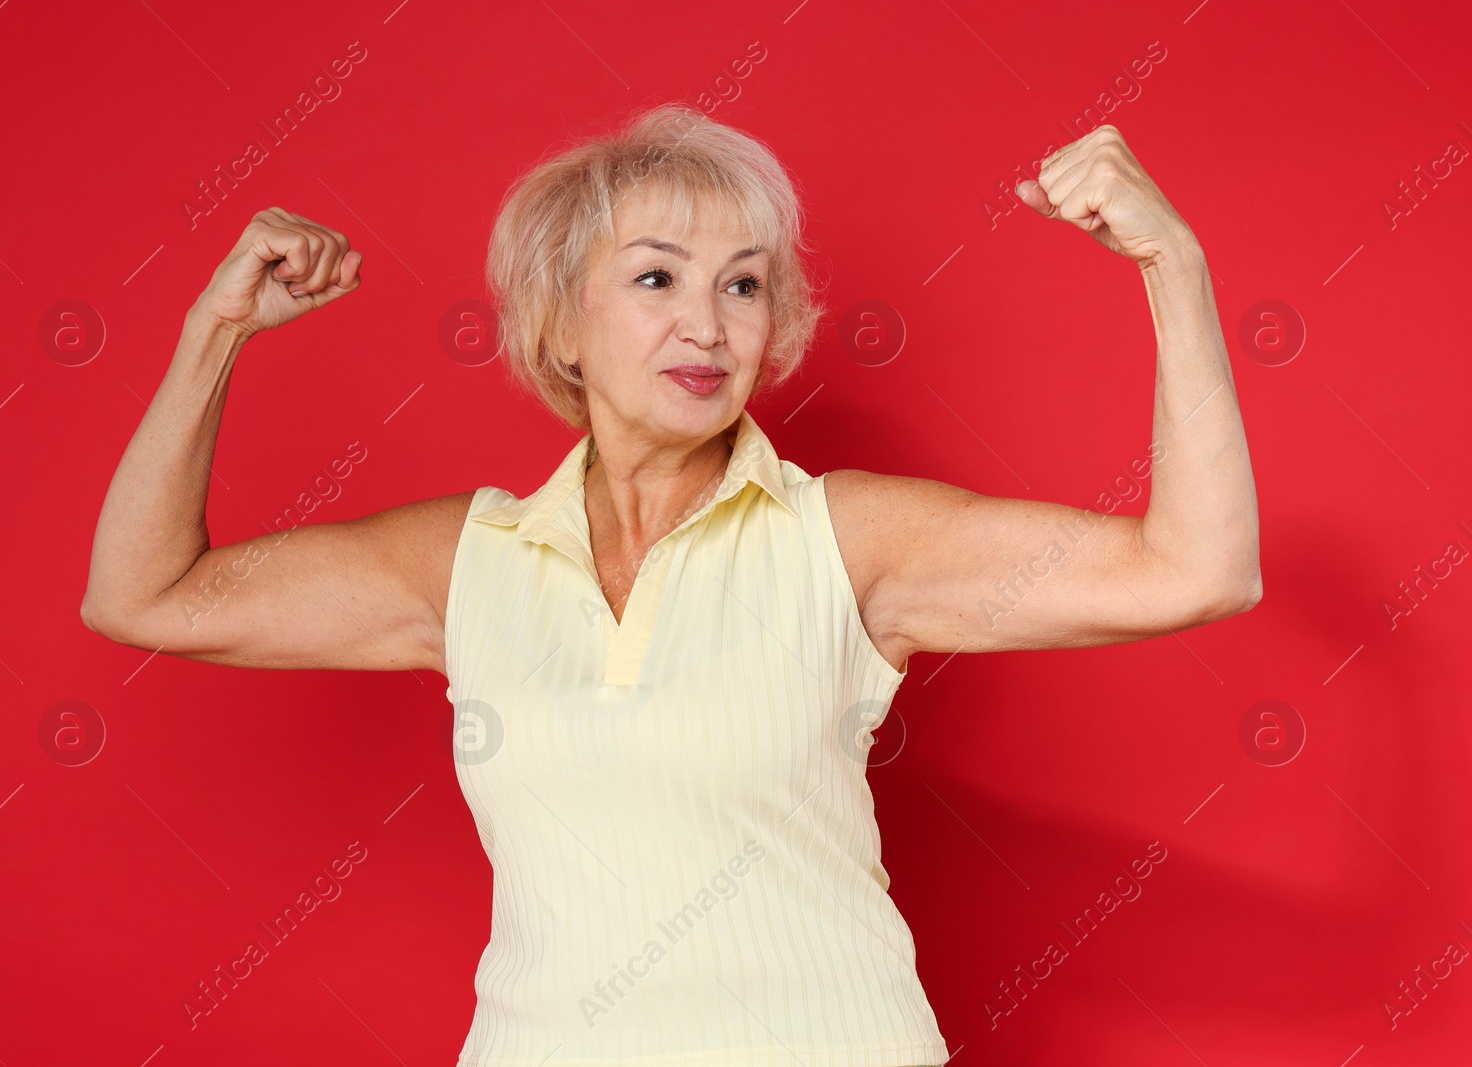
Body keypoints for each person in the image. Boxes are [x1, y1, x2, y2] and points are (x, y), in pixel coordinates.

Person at [81, 104, 1259, 1066]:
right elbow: (143, 594)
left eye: (743, 285)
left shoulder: (841, 538)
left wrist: (1173, 264)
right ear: (562, 325)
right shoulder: (469, 561)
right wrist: (216, 331)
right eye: (656, 277)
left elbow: (1194, 568)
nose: (707, 320)